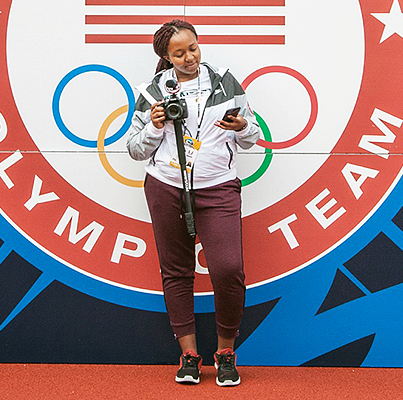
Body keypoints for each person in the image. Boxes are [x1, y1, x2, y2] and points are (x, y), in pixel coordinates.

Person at [126, 19, 261, 386]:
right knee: (177, 272)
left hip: (218, 188)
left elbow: (254, 136)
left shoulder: (226, 82)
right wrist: (154, 126)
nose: (189, 58)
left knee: (228, 271)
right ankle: (188, 356)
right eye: (179, 53)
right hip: (166, 187)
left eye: (193, 48)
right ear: (166, 57)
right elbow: (135, 149)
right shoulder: (153, 91)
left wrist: (242, 128)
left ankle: (226, 354)